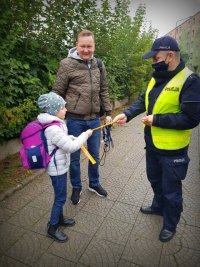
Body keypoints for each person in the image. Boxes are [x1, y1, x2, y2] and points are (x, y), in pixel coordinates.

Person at [113, 36, 200, 242]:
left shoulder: (190, 81)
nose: (153, 62)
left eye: (156, 58)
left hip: (173, 151)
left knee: (172, 191)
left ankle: (170, 224)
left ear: (170, 56)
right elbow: (144, 99)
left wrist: (158, 120)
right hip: (152, 145)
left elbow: (192, 118)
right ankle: (158, 207)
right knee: (155, 180)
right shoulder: (157, 77)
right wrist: (127, 114)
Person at [52, 29, 112, 205]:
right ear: (77, 45)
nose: (86, 50)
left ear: (94, 46)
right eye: (83, 46)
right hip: (74, 120)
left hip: (94, 119)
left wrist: (108, 113)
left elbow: (104, 90)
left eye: (89, 46)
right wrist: (55, 118)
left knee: (94, 154)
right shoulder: (66, 64)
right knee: (75, 157)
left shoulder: (99, 64)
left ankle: (94, 183)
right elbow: (57, 92)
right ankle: (76, 186)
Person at [37, 92, 93, 242]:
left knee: (60, 195)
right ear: (55, 110)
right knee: (60, 198)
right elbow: (70, 147)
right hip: (57, 169)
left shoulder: (54, 124)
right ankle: (53, 227)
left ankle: (60, 219)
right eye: (63, 107)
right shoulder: (53, 128)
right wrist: (85, 135)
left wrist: (72, 137)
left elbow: (62, 141)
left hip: (59, 166)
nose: (66, 110)